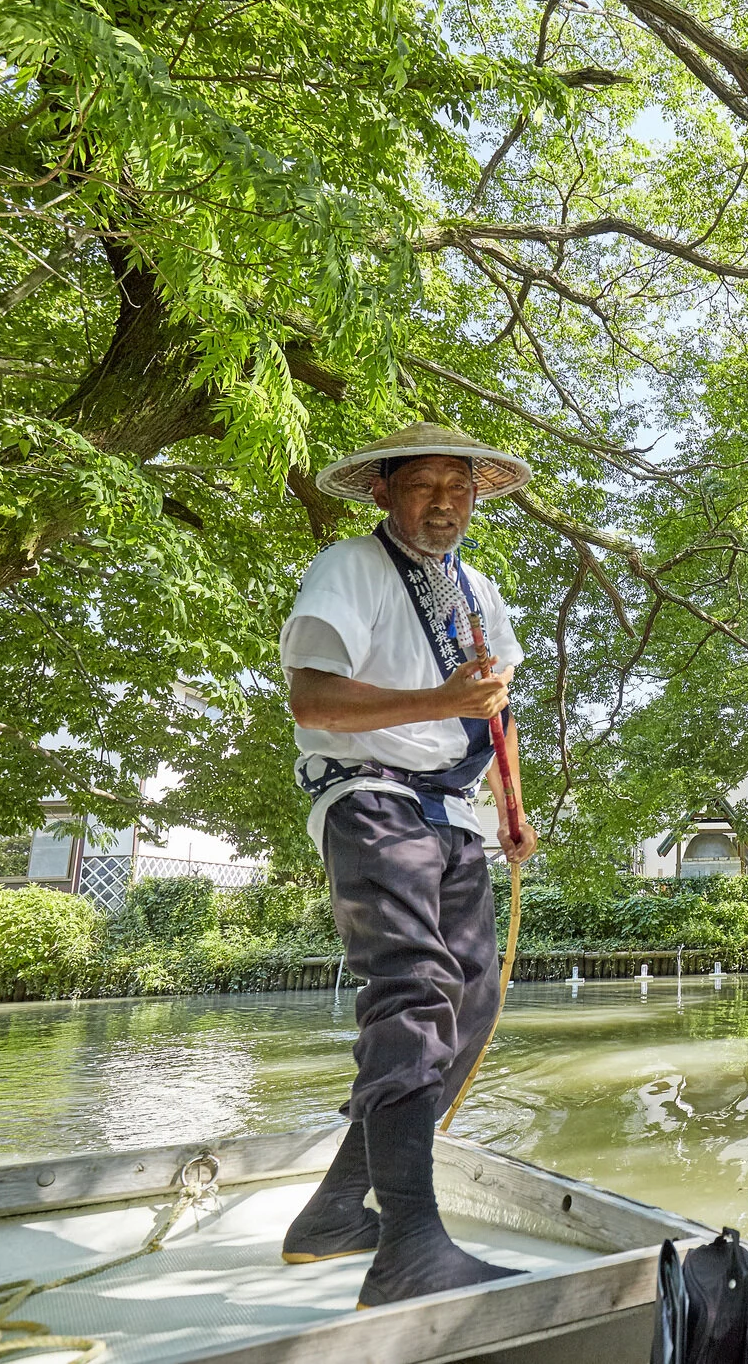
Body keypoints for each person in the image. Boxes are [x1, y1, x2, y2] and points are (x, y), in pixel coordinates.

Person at [274, 422, 541, 1308]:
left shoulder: (479, 592)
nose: (444, 505)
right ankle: (411, 1245)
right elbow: (311, 695)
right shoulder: (350, 567)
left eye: (459, 490)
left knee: (472, 1000)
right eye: (423, 487)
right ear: (385, 492)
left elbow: (493, 710)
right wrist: (438, 698)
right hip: (367, 796)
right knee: (413, 988)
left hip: (455, 811)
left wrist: (512, 805)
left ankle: (337, 1210)